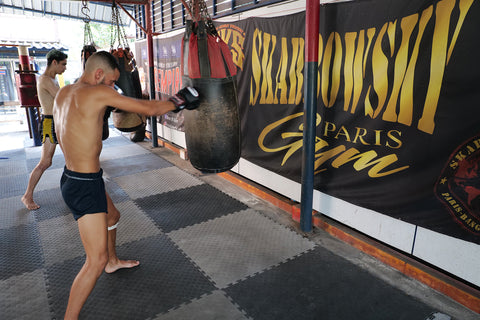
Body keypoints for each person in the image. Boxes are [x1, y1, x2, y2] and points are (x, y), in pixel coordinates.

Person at [53, 51, 200, 320]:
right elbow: (151, 110)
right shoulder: (99, 93)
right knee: (92, 261)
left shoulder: (64, 93)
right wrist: (179, 100)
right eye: (111, 81)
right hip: (84, 185)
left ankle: (112, 261)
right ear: (98, 75)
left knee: (113, 215)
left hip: (73, 177)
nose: (113, 88)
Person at [22, 49, 68, 210]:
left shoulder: (53, 79)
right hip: (50, 123)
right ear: (54, 62)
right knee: (45, 162)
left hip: (59, 122)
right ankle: (27, 196)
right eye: (63, 64)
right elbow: (64, 98)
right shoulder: (46, 80)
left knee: (71, 158)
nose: (65, 68)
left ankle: (73, 192)